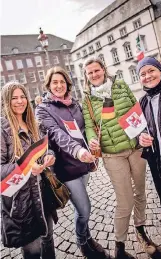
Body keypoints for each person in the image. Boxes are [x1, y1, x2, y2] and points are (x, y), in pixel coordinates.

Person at [82, 57, 158, 259]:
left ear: (103, 69)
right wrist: (91, 140)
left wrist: (143, 133)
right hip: (112, 154)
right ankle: (120, 246)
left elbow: (137, 111)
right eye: (90, 73)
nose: (94, 75)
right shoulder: (88, 99)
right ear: (86, 76)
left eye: (97, 70)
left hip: (136, 148)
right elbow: (89, 127)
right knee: (125, 200)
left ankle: (141, 232)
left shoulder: (121, 85)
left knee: (141, 192)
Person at [35, 66, 111, 259]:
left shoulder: (74, 104)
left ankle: (87, 237)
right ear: (49, 85)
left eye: (62, 82)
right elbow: (57, 135)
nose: (59, 85)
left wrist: (91, 140)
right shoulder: (43, 109)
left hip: (83, 163)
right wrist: (78, 151)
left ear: (68, 84)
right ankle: (81, 240)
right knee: (85, 208)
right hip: (65, 167)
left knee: (80, 209)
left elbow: (84, 128)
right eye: (55, 82)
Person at [1, 81, 56, 259]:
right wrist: (25, 168)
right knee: (33, 249)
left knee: (48, 238)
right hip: (21, 200)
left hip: (42, 192)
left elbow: (45, 148)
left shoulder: (33, 123)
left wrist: (50, 155)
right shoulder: (3, 129)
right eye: (14, 98)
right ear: (6, 101)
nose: (20, 101)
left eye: (23, 96)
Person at [137, 57, 161, 217]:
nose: (147, 76)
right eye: (142, 74)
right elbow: (141, 129)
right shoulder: (143, 101)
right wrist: (141, 138)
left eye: (151, 70)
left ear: (160, 70)